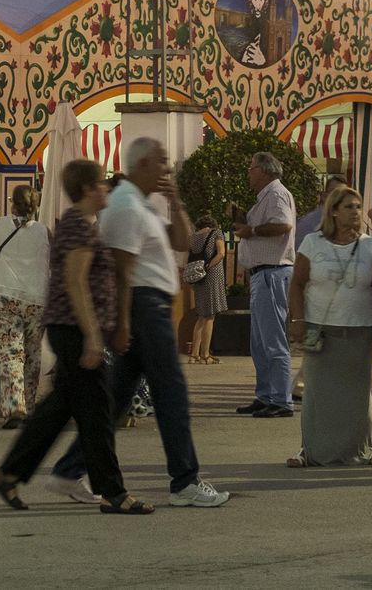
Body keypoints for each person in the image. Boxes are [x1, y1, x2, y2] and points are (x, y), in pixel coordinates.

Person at [48, 138, 230, 509]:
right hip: (145, 305)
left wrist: (175, 199)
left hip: (151, 304)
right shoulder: (127, 205)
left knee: (117, 398)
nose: (166, 169)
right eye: (161, 162)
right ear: (143, 163)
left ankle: (71, 468)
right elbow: (122, 269)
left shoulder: (142, 204)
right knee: (171, 393)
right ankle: (185, 479)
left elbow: (182, 239)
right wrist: (124, 322)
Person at [0, 159, 152, 515]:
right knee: (97, 413)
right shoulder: (77, 225)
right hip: (74, 330)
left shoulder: (83, 224)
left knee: (57, 411)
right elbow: (76, 283)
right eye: (102, 184)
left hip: (72, 328)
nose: (107, 188)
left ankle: (8, 473)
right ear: (89, 189)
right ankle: (113, 491)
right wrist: (92, 336)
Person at [286, 185, 372, 467]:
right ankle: (311, 450)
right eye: (349, 207)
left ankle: (362, 449)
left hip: (360, 327)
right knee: (318, 394)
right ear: (333, 211)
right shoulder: (312, 243)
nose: (356, 213)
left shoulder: (370, 245)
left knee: (356, 393)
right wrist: (297, 319)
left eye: (358, 207)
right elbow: (297, 283)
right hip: (321, 328)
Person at [235, 151, 297, 418]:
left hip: (273, 272)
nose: (249, 173)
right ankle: (266, 394)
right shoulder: (266, 197)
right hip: (263, 274)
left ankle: (281, 399)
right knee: (260, 342)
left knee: (273, 340)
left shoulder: (275, 194)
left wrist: (253, 231)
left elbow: (283, 224)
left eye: (251, 168)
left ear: (264, 170)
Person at [0, 186, 49, 428]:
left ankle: (15, 408)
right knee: (32, 355)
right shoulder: (45, 232)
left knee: (9, 354)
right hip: (36, 298)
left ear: (12, 203)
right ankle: (29, 408)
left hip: (1, 294)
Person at [184, 214, 226, 365]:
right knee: (210, 316)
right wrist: (208, 266)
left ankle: (194, 355)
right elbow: (221, 253)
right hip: (211, 275)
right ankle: (205, 355)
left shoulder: (193, 237)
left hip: (197, 277)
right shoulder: (216, 233)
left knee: (201, 315)